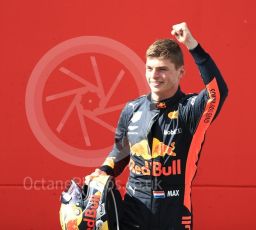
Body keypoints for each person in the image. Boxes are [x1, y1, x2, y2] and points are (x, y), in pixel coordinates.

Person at [85, 22, 228, 229]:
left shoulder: (190, 110)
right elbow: (121, 150)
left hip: (175, 212)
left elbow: (219, 91)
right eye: (149, 68)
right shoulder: (132, 109)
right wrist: (103, 170)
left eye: (162, 70)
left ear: (181, 72)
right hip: (133, 210)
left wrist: (193, 46)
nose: (153, 76)